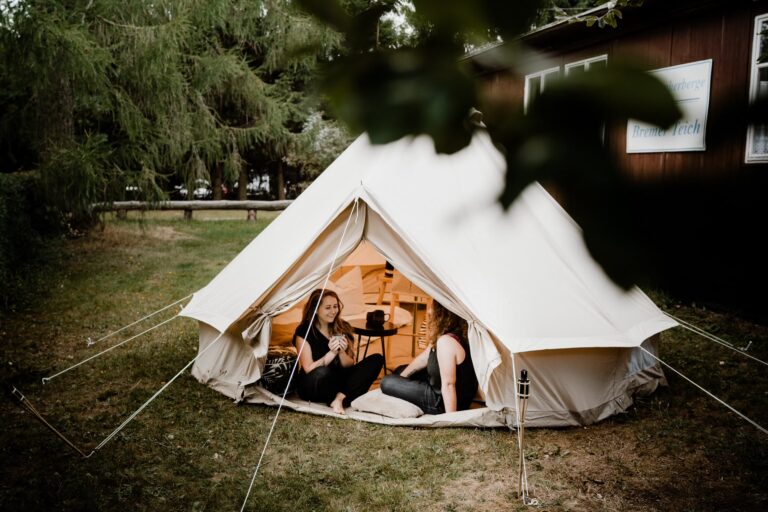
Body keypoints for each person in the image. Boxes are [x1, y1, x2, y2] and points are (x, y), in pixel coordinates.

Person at [293, 288, 384, 415]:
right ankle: (347, 395)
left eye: (335, 306)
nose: (333, 311)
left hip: (339, 381)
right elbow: (308, 368)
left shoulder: (344, 327)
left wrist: (341, 352)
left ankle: (339, 398)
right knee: (322, 372)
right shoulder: (304, 331)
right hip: (315, 383)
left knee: (377, 359)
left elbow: (349, 365)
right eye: (328, 307)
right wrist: (332, 353)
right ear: (316, 309)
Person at [380, 301, 477, 414]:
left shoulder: (446, 342)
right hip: (437, 383)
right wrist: (401, 378)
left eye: (433, 308)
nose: (429, 311)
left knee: (386, 382)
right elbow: (424, 358)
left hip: (441, 401)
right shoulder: (453, 333)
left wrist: (451, 419)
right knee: (400, 370)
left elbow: (449, 384)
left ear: (443, 315)